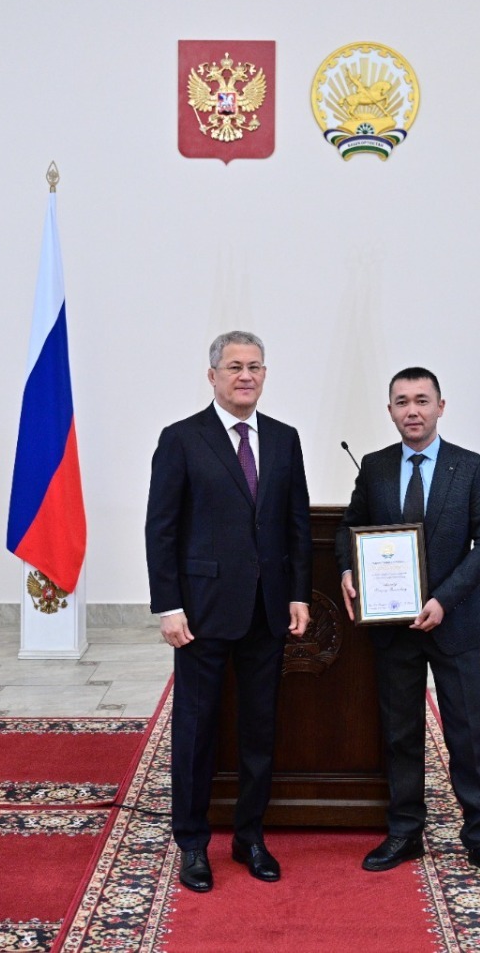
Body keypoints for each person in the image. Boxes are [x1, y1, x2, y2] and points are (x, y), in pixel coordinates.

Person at [335, 367, 480, 884]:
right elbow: (350, 528)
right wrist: (349, 569)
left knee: (465, 733)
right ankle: (405, 831)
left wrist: (444, 598)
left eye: (421, 400)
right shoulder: (375, 467)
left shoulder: (471, 467)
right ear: (390, 411)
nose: (412, 410)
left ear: (441, 406)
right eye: (402, 402)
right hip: (393, 625)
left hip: (453, 622)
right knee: (400, 733)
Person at [145, 330, 312, 893]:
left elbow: (295, 523)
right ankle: (193, 842)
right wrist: (169, 605)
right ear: (212, 375)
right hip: (201, 613)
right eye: (235, 366)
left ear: (265, 375)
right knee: (196, 730)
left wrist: (298, 593)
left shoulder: (285, 439)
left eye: (255, 366)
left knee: (259, 729)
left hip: (267, 611)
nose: (246, 376)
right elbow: (161, 529)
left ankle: (250, 836)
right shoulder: (181, 439)